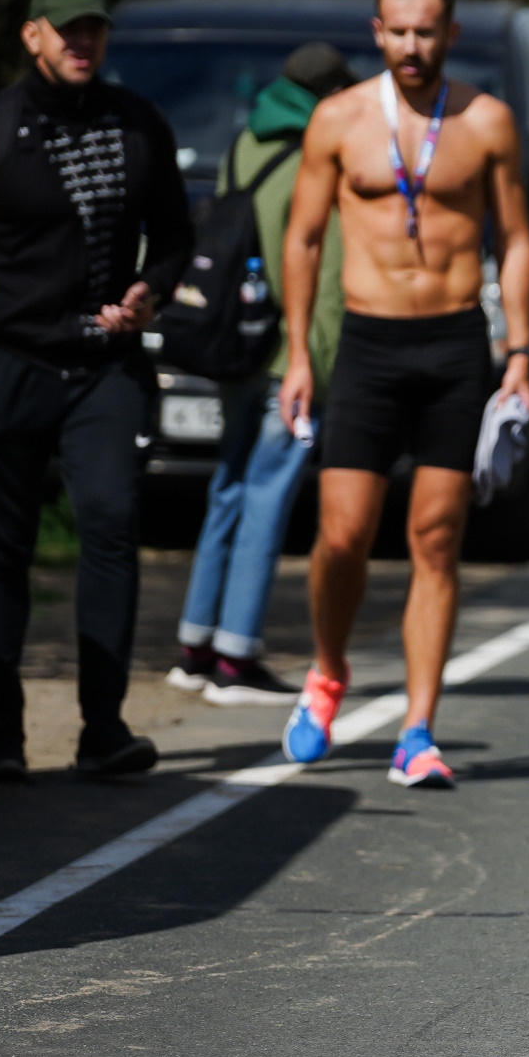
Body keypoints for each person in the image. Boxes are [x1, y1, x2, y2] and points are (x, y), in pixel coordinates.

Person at [0, 0, 194, 781]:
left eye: (94, 29)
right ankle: (2, 738)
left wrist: (150, 290)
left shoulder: (138, 123)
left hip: (103, 367)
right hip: (6, 363)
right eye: (68, 29)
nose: (83, 42)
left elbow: (175, 237)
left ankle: (102, 729)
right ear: (32, 34)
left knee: (110, 523)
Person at [275, 0, 529, 789]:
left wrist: (520, 350)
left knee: (435, 537)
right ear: (377, 32)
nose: (412, 45)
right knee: (342, 535)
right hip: (367, 344)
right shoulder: (339, 119)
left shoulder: (487, 120)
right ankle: (327, 673)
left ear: (449, 33)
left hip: (455, 345)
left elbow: (515, 238)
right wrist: (297, 354)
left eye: (427, 30)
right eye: (398, 30)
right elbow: (303, 238)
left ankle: (418, 728)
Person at [167, 43, 354, 706]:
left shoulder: (247, 139)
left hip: (236, 342)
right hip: (288, 355)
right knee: (269, 494)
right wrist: (322, 363)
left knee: (229, 485)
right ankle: (237, 657)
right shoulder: (320, 150)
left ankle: (196, 646)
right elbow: (323, 266)